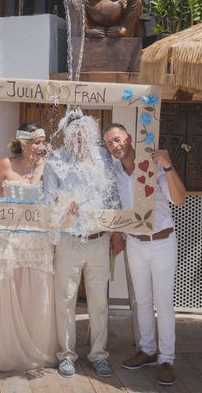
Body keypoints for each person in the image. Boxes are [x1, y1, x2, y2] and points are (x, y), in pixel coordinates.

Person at [0, 122, 57, 372]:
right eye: (35, 142)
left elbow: (56, 197)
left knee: (37, 294)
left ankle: (37, 353)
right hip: (8, 242)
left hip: (36, 243)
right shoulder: (5, 165)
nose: (40, 146)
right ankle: (8, 356)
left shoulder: (48, 167)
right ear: (21, 142)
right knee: (11, 295)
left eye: (42, 142)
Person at [103, 123, 185, 386]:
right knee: (142, 301)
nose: (115, 146)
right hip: (135, 243)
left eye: (117, 140)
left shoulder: (154, 166)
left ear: (129, 138)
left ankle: (167, 359)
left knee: (163, 303)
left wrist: (168, 164)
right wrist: (116, 233)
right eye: (109, 144)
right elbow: (115, 205)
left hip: (162, 241)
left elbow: (180, 200)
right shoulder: (114, 172)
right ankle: (148, 351)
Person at [43, 108, 120, 378]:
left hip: (99, 240)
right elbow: (48, 197)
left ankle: (98, 354)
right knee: (65, 300)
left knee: (99, 301)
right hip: (67, 241)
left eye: (83, 133)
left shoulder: (103, 158)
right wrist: (64, 200)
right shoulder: (56, 161)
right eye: (73, 134)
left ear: (91, 134)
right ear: (65, 135)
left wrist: (117, 233)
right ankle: (66, 355)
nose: (78, 139)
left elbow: (113, 197)